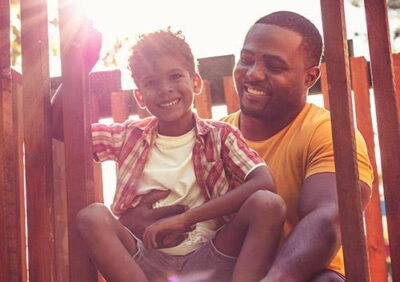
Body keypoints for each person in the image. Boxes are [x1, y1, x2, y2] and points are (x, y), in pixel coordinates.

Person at [53, 29, 286, 282]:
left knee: (268, 204)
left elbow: (264, 183)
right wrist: (81, 66)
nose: (165, 89)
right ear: (140, 97)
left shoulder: (221, 136)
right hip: (147, 261)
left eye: (175, 76)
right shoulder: (128, 136)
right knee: (92, 216)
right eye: (151, 83)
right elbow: (59, 129)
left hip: (212, 257)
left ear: (196, 82)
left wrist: (185, 219)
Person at [220, 11, 373, 282]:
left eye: (274, 66)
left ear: (309, 77)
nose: (253, 74)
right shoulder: (214, 137)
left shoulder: (328, 133)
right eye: (246, 60)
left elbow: (327, 219)